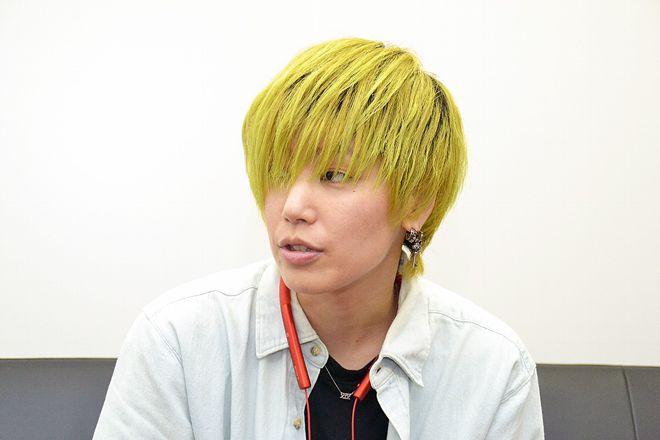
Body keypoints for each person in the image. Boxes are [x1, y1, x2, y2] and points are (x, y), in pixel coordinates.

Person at [93, 38, 544, 439]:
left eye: (334, 175)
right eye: (279, 173)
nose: (292, 207)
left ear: (416, 200)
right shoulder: (179, 341)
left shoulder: (492, 369)